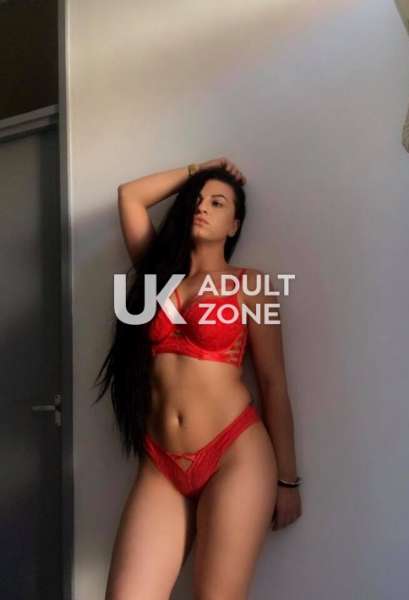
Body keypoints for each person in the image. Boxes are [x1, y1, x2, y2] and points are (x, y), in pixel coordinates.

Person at [94, 157, 302, 600]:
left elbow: (273, 383)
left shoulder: (252, 286)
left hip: (235, 455)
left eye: (218, 202)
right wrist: (197, 170)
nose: (202, 207)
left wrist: (288, 480)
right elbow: (130, 196)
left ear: (234, 225)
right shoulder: (156, 277)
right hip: (161, 463)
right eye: (197, 199)